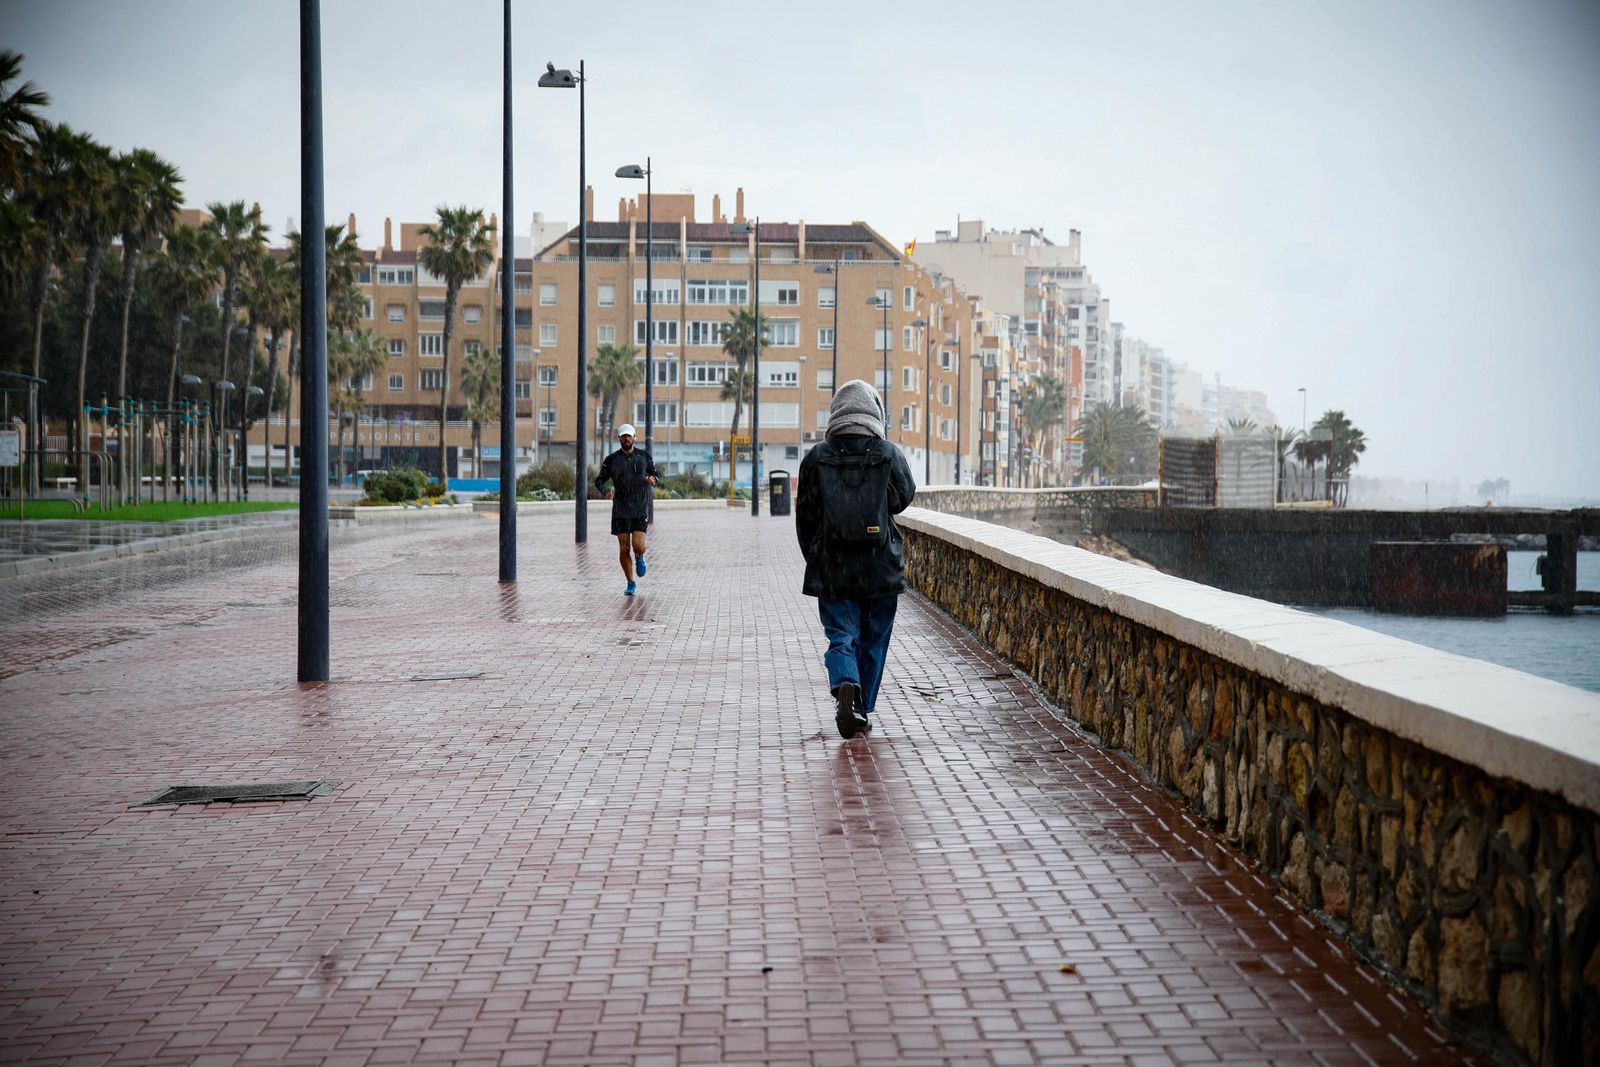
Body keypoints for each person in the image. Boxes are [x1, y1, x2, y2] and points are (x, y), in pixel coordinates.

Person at [795, 379, 916, 739]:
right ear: (874, 413)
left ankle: (846, 681)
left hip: (833, 568)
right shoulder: (888, 453)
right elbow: (903, 497)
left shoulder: (816, 457)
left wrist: (817, 557)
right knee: (874, 639)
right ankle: (860, 708)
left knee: (841, 635)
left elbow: (806, 517)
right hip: (880, 568)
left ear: (836, 413)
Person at [596, 423, 658, 596]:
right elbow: (599, 480)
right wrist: (604, 489)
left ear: (634, 438)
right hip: (621, 509)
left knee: (638, 546)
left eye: (629, 436)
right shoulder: (611, 460)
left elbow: (655, 474)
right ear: (619, 439)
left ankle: (639, 556)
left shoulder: (644, 456)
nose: (627, 439)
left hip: (639, 508)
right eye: (623, 436)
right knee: (624, 548)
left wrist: (652, 479)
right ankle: (630, 582)